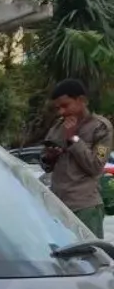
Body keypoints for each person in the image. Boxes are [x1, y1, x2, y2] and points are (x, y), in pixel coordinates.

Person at [41, 79, 113, 238]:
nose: (61, 112)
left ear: (82, 101)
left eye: (65, 106)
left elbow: (96, 166)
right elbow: (45, 163)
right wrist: (49, 157)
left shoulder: (101, 128)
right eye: (58, 108)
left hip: (85, 207)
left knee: (89, 258)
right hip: (58, 205)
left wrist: (73, 138)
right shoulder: (58, 126)